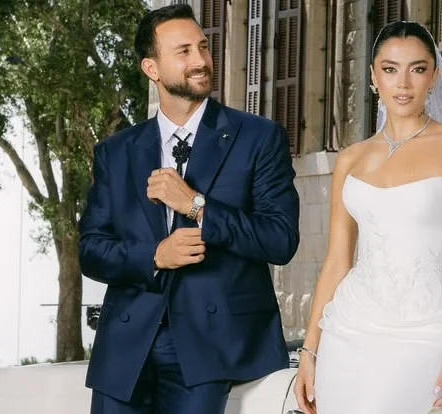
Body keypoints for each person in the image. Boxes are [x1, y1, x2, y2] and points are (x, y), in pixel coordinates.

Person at [293, 21, 442, 414]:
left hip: (427, 333)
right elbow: (336, 261)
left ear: (434, 76)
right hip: (347, 330)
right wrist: (309, 350)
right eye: (390, 69)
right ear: (373, 76)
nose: (403, 83)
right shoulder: (350, 159)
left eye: (417, 69)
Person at [78, 4, 300, 413]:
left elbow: (280, 239)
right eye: (183, 51)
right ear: (152, 68)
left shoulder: (258, 137)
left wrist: (197, 206)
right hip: (126, 348)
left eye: (203, 47)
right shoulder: (116, 152)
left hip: (211, 347)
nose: (200, 60)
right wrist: (155, 256)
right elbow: (91, 250)